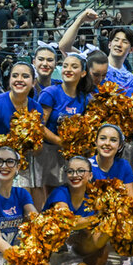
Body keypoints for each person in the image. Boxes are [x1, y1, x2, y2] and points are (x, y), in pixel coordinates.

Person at [37, 53, 91, 203]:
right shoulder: (50, 93)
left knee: (71, 194)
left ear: (83, 73)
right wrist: (59, 141)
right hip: (49, 153)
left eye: (74, 67)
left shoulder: (85, 98)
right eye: (65, 66)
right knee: (52, 196)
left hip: (72, 155)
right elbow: (38, 125)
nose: (68, 69)